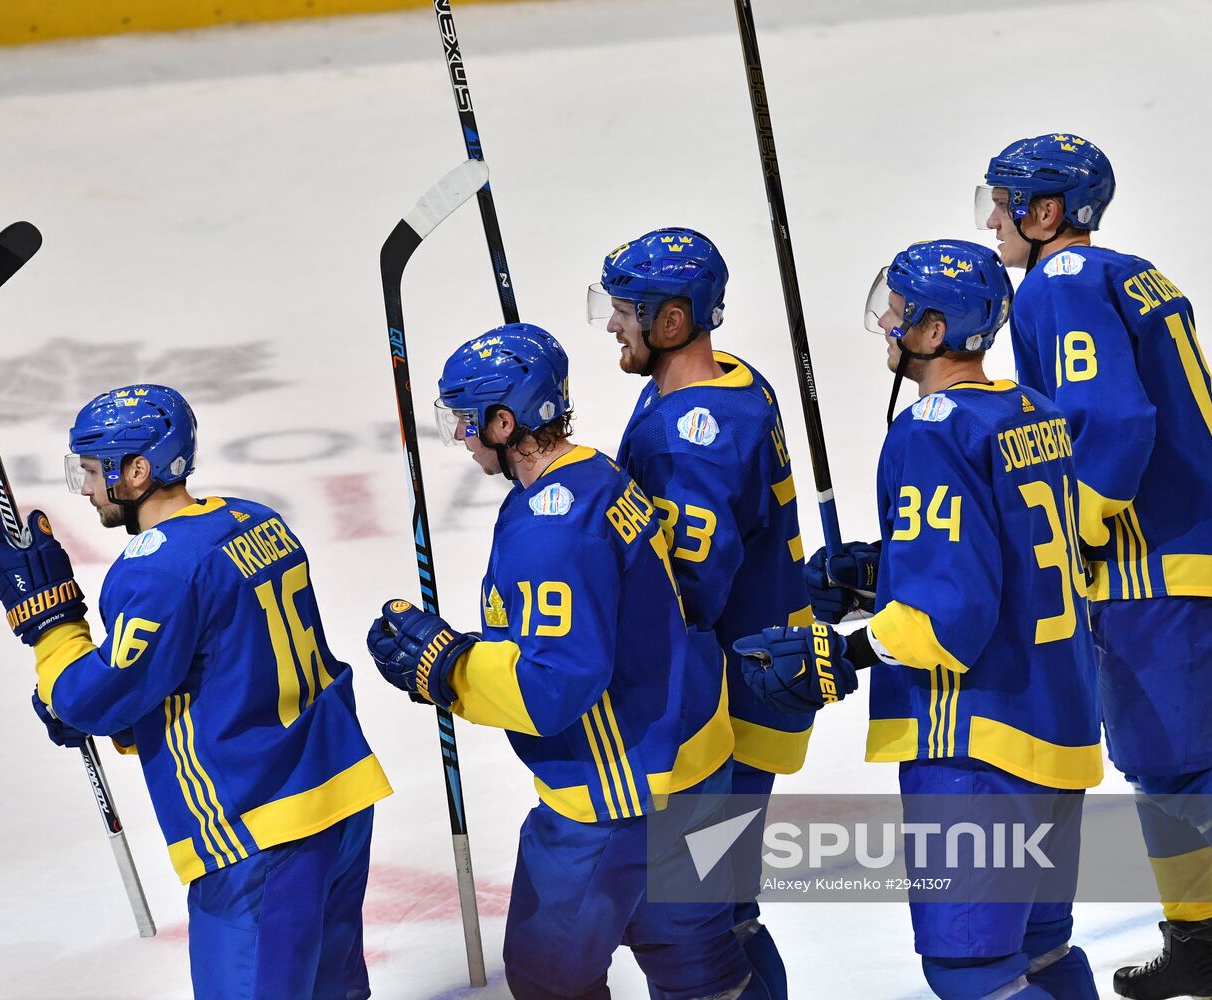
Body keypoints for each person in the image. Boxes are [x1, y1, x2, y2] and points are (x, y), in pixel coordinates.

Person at [736, 241, 1102, 999]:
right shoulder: (1032, 412)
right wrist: (882, 574)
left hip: (976, 741)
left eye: (898, 312)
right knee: (1039, 951)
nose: (886, 324)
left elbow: (949, 615)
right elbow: (1007, 560)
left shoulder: (931, 430)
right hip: (1057, 719)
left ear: (935, 331)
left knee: (973, 969)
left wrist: (846, 654)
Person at [979, 133, 1212, 1000]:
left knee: (1188, 769)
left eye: (1002, 204)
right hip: (1179, 550)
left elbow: (1115, 424)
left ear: (1045, 212)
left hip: (1154, 563)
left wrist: (1071, 533)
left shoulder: (1057, 281)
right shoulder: (1129, 271)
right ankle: (1194, 946)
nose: (993, 221)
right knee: (1161, 766)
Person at [365, 324, 765, 1000]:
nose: (461, 435)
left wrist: (447, 668)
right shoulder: (598, 472)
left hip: (615, 795)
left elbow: (556, 685)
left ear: (503, 422)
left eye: (467, 419)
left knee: (549, 978)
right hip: (698, 761)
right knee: (698, 965)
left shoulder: (549, 529)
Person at [0, 384, 391, 1000]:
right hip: (340, 792)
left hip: (258, 824)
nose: (85, 488)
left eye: (91, 469)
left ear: (136, 471)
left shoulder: (155, 569)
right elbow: (217, 666)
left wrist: (51, 626)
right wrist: (114, 711)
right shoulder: (256, 520)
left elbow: (92, 699)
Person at [587, 228, 812, 998]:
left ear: (673, 320)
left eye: (624, 310)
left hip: (731, 700)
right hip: (765, 672)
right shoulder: (732, 382)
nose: (611, 324)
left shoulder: (688, 438)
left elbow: (687, 594)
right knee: (724, 911)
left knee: (694, 918)